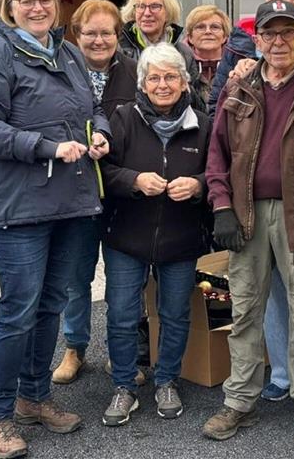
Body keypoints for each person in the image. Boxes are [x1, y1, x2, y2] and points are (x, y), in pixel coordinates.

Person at [0, 0, 108, 458]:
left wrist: (99, 132)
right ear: (9, 6)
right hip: (16, 206)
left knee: (50, 305)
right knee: (18, 310)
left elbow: (89, 107)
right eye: (26, 0)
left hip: (69, 200)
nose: (38, 7)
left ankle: (34, 397)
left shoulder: (65, 51)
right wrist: (45, 147)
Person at [203, 0, 294, 447]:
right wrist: (222, 206)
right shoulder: (239, 86)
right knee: (244, 310)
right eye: (269, 32)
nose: (278, 41)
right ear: (257, 38)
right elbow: (217, 155)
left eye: (288, 31)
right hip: (248, 217)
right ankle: (239, 400)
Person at [99, 43, 212, 426]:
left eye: (170, 77)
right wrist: (134, 180)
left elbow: (219, 176)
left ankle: (167, 379)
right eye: (154, 78)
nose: (162, 85)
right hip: (126, 237)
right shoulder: (123, 118)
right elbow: (103, 172)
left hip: (181, 237)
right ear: (143, 84)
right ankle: (124, 385)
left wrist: (197, 186)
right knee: (122, 313)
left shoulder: (203, 122)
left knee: (175, 313)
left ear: (184, 82)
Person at [52, 0, 142, 386]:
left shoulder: (136, 72)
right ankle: (75, 347)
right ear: (77, 33)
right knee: (77, 275)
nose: (99, 40)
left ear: (117, 34)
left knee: (127, 277)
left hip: (123, 189)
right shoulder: (59, 70)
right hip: (75, 189)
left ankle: (126, 351)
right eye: (90, 32)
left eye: (107, 32)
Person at [117, 0, 202, 109]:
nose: (147, 13)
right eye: (140, 6)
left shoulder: (184, 53)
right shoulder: (120, 49)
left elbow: (195, 102)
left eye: (155, 6)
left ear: (168, 12)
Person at [183, 4, 230, 107]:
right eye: (200, 27)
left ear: (224, 37)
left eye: (215, 27)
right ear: (190, 37)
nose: (208, 31)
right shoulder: (180, 64)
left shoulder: (235, 65)